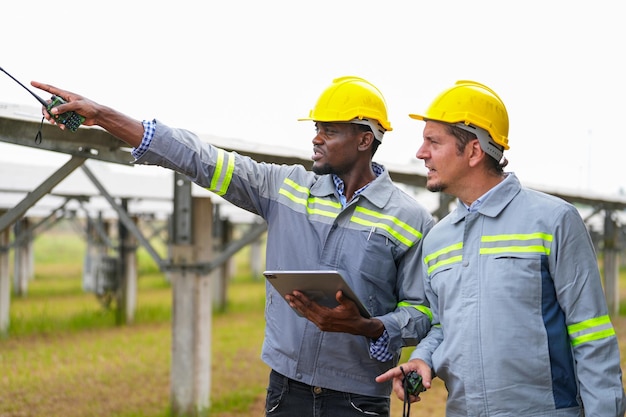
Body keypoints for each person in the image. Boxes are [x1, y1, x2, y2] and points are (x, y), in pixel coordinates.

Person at [32, 76, 435, 416]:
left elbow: (422, 310)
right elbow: (198, 158)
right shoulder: (285, 187)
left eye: (329, 130)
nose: (316, 138)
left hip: (359, 398)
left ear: (365, 139)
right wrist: (102, 116)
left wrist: (369, 326)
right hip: (286, 389)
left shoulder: (409, 219)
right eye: (315, 128)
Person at [376, 80, 626, 416]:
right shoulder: (437, 240)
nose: (421, 153)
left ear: (475, 151)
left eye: (433, 142)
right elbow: (443, 326)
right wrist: (423, 359)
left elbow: (591, 333)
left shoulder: (554, 220)